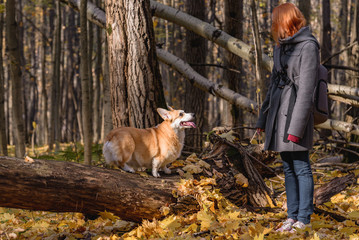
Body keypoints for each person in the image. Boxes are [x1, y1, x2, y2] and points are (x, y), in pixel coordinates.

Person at [255, 3, 318, 232]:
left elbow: (307, 90)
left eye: (276, 20)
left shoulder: (308, 46)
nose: (273, 25)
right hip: (278, 115)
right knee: (288, 168)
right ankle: (291, 217)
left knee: (301, 166)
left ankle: (304, 218)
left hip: (296, 115)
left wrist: (296, 127)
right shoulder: (280, 48)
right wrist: (263, 120)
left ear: (286, 21)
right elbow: (272, 85)